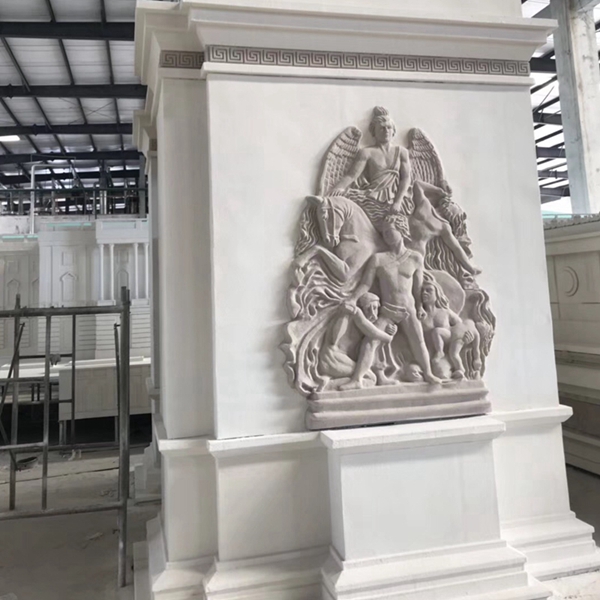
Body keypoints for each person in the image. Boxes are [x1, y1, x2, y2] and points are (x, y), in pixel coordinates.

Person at [339, 214, 442, 389]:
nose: (387, 235)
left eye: (390, 231)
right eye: (385, 232)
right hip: (388, 310)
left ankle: (428, 373)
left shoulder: (415, 258)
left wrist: (420, 306)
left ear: (401, 231)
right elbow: (365, 284)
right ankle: (357, 379)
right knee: (370, 342)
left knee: (419, 342)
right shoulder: (378, 259)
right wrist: (353, 299)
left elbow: (417, 287)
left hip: (409, 309)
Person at [330, 106, 411, 207]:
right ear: (374, 132)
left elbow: (406, 178)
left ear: (393, 131)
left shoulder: (401, 152)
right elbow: (352, 175)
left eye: (389, 127)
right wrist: (338, 188)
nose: (386, 131)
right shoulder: (366, 152)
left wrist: (397, 202)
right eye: (382, 128)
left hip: (397, 199)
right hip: (373, 196)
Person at [319, 293, 399, 387]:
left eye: (375, 308)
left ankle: (328, 382)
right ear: (360, 308)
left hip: (344, 359)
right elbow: (372, 331)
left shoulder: (363, 319)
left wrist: (392, 330)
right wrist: (388, 337)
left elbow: (374, 331)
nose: (373, 314)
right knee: (371, 379)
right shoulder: (353, 315)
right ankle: (329, 384)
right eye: (368, 309)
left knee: (373, 343)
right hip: (332, 359)